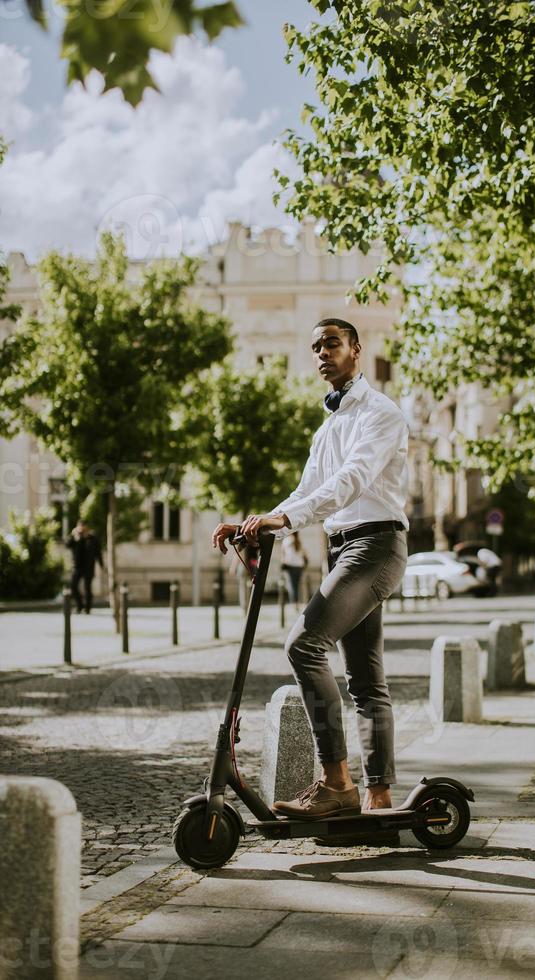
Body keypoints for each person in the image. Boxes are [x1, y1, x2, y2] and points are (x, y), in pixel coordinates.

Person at [212, 317, 409, 820]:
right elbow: (305, 494)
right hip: (342, 548)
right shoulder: (328, 426)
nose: (323, 352)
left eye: (333, 343)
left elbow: (352, 480)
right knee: (366, 682)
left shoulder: (380, 413)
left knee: (304, 644)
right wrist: (257, 522)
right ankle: (379, 798)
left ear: (356, 350)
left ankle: (337, 782)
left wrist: (287, 517)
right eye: (317, 346)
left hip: (377, 545)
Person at [65, 520, 103, 614]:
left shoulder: (92, 539)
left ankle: (87, 608)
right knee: (73, 586)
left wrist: (102, 565)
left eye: (84, 527)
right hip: (77, 566)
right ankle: (79, 605)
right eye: (80, 527)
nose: (82, 529)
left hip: (89, 567)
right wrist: (73, 536)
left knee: (87, 588)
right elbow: (67, 545)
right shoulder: (75, 538)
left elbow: (98, 553)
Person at [281, 532, 307, 612]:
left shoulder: (286, 540)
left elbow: (283, 554)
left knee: (292, 586)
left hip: (291, 566)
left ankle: (295, 604)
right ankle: (299, 603)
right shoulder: (298, 541)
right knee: (298, 585)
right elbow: (303, 553)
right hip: (299, 565)